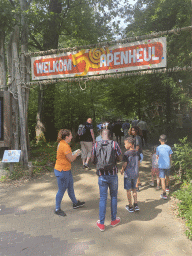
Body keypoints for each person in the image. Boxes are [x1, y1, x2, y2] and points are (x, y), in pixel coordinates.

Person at [92, 129, 122, 232]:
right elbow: (119, 158)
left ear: (101, 135)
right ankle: (113, 220)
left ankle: (101, 224)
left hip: (101, 175)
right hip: (113, 174)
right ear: (110, 135)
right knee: (113, 197)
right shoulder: (114, 144)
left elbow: (92, 160)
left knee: (103, 198)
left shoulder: (96, 145)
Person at [54, 129, 85, 217]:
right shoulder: (65, 145)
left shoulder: (62, 143)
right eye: (71, 135)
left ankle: (75, 203)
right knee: (61, 190)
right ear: (67, 137)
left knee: (70, 187)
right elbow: (71, 159)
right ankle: (57, 209)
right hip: (62, 171)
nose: (72, 137)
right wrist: (77, 153)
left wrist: (73, 154)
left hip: (66, 170)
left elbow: (67, 156)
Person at [121, 137, 141, 212]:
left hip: (128, 174)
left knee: (128, 190)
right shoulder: (137, 153)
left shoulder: (126, 154)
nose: (124, 145)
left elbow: (125, 164)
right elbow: (138, 163)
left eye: (125, 143)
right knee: (134, 189)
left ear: (130, 144)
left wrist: (122, 170)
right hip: (135, 173)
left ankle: (130, 206)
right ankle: (136, 204)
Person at [156, 134, 173, 200]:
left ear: (159, 140)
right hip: (167, 165)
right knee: (167, 176)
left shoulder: (158, 148)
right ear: (166, 140)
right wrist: (170, 163)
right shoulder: (169, 147)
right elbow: (170, 156)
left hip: (161, 165)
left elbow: (157, 156)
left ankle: (164, 194)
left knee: (162, 179)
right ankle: (167, 187)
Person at [129, 126, 143, 191]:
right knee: (136, 169)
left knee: (135, 170)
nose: (133, 131)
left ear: (137, 131)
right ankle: (139, 182)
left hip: (137, 154)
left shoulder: (137, 138)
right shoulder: (135, 137)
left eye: (134, 130)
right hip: (137, 154)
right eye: (132, 130)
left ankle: (136, 186)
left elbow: (137, 148)